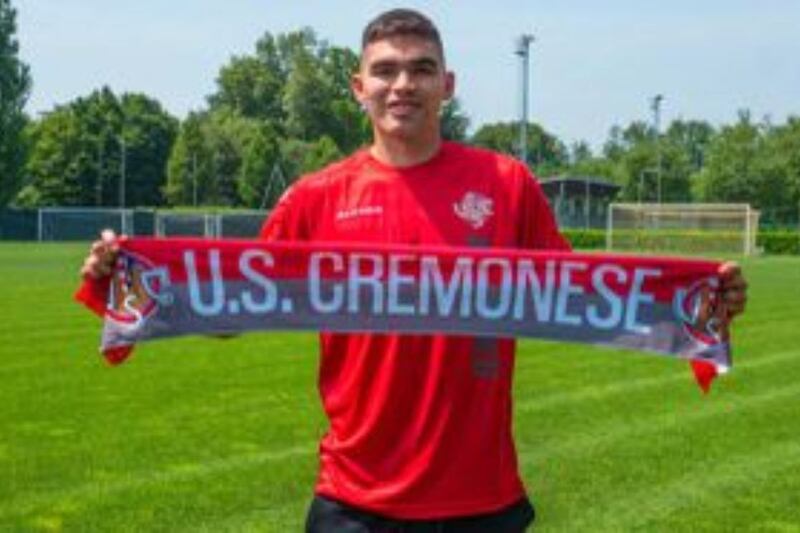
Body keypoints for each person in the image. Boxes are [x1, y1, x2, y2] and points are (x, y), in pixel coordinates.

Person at [82, 8, 748, 532]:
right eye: (386, 70)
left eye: (422, 69)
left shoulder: (506, 183)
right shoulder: (316, 197)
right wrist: (130, 276)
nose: (403, 84)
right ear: (359, 87)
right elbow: (232, 308)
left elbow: (579, 298)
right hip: (354, 500)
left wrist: (696, 301)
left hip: (482, 498)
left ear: (446, 85)